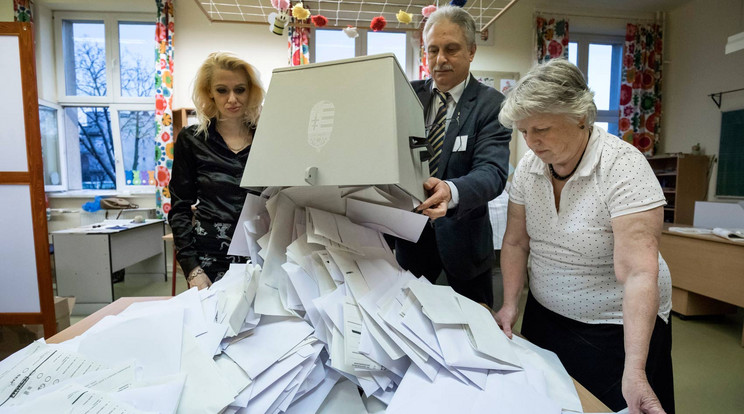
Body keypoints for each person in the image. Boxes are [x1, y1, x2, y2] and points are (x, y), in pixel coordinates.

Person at [493, 59, 674, 414]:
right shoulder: (531, 167)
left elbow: (638, 272)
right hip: (546, 313)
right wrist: (511, 304)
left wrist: (635, 369)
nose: (531, 142)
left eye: (541, 128)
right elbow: (516, 242)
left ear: (580, 117)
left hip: (614, 325)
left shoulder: (623, 166)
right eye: (523, 131)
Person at [393, 5, 511, 308]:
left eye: (451, 49)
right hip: (410, 243)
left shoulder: (490, 104)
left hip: (466, 248)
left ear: (471, 51)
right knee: (409, 326)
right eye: (432, 50)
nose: (440, 60)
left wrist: (452, 190)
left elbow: (492, 172)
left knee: (473, 336)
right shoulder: (406, 95)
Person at [168, 52, 265, 290]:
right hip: (209, 258)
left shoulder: (268, 138)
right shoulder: (192, 139)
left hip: (262, 253)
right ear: (209, 91)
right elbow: (179, 209)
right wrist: (192, 268)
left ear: (250, 91)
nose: (232, 98)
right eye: (222, 90)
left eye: (240, 90)